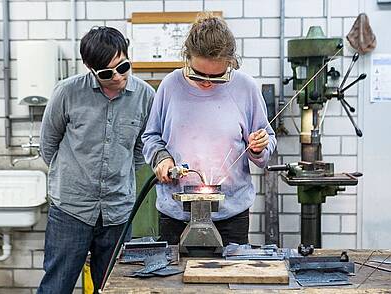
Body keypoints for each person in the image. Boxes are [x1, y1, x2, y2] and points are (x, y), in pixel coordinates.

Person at [142, 12, 276, 246]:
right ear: (187, 58)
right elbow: (151, 137)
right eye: (199, 74)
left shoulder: (245, 88)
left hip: (230, 217)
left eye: (217, 77)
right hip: (176, 215)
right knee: (173, 280)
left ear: (231, 63)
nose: (207, 83)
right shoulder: (171, 86)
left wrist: (259, 147)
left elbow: (265, 151)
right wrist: (161, 159)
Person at [38, 26, 155, 293]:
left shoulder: (146, 96)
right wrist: (71, 178)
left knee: (113, 287)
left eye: (123, 67)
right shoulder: (67, 93)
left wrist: (121, 175)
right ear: (90, 68)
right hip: (71, 210)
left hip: (117, 211)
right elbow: (48, 145)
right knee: (56, 286)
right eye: (106, 73)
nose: (117, 77)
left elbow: (141, 148)